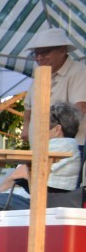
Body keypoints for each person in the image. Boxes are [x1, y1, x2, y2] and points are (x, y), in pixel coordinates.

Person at [0, 101, 82, 225]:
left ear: (57, 129)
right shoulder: (73, 148)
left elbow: (17, 175)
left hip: (28, 201)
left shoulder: (55, 147)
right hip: (40, 201)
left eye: (44, 127)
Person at [20, 28, 86, 156]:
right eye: (36, 54)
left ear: (62, 50)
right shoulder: (39, 75)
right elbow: (28, 107)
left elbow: (81, 108)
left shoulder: (79, 72)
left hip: (69, 151)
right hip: (42, 151)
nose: (39, 58)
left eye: (45, 52)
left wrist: (51, 133)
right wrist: (26, 126)